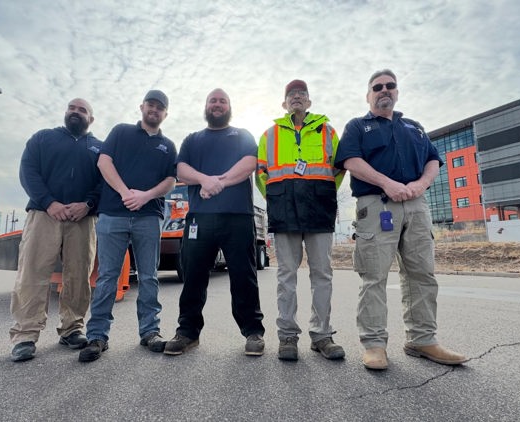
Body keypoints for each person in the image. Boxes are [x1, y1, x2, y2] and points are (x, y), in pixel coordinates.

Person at [334, 69, 467, 370]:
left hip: (416, 205)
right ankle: (374, 345)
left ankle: (422, 339)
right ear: (368, 95)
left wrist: (421, 185)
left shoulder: (415, 127)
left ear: (397, 92)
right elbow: (351, 161)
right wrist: (387, 183)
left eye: (390, 86)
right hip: (377, 204)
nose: (384, 90)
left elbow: (433, 160)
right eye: (377, 87)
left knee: (422, 274)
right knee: (374, 277)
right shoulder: (357, 126)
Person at [164, 88, 266, 356]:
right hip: (200, 218)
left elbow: (249, 164)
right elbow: (181, 170)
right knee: (193, 276)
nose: (217, 104)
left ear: (230, 106)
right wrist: (204, 180)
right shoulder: (192, 139)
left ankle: (253, 331)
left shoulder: (242, 135)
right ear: (206, 106)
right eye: (213, 100)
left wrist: (216, 182)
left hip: (237, 217)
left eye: (222, 101)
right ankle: (187, 332)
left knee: (244, 276)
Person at [79, 90, 177, 363]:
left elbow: (170, 180)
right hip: (113, 215)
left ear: (165, 114)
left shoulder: (168, 145)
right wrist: (125, 193)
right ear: (142, 107)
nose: (154, 110)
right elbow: (104, 162)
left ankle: (150, 332)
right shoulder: (121, 132)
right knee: (108, 276)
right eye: (151, 105)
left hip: (149, 217)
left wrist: (145, 196)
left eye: (160, 108)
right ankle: (97, 335)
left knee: (149, 277)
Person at [256, 80, 346, 361]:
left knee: (322, 274)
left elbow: (339, 171)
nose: (296, 97)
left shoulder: (328, 131)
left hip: (319, 209)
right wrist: (278, 201)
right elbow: (261, 175)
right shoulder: (269, 135)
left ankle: (321, 335)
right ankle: (287, 337)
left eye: (301, 94)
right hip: (284, 210)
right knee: (286, 275)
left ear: (309, 102)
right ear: (284, 103)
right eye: (291, 95)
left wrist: (322, 196)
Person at [9, 98, 103, 362]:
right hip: (43, 214)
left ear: (91, 119)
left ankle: (72, 328)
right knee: (32, 273)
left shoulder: (99, 148)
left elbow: (104, 182)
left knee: (78, 275)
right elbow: (28, 172)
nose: (75, 112)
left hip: (82, 219)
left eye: (82, 110)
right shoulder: (43, 139)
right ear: (65, 113)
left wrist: (88, 204)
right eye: (71, 108)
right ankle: (25, 335)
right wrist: (49, 203)